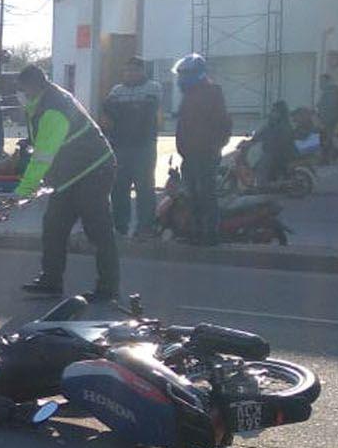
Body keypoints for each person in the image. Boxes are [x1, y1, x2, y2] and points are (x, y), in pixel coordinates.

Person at [13, 64, 120, 302]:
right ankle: (51, 281)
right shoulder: (42, 102)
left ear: (33, 86)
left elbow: (43, 154)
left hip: (92, 169)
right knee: (54, 226)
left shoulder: (52, 109)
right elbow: (42, 146)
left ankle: (108, 288)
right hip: (71, 175)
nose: (20, 94)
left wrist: (24, 189)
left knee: (98, 229)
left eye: (22, 89)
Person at [172, 53, 232, 246]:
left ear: (197, 74)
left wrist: (214, 146)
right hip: (189, 154)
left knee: (207, 194)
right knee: (192, 194)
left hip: (205, 154)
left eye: (185, 74)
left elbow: (223, 124)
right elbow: (183, 125)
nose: (181, 79)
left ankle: (210, 233)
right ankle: (195, 231)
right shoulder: (189, 96)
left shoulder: (212, 93)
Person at [100, 57, 161, 238]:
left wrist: (123, 113)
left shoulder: (153, 87)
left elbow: (148, 112)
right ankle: (120, 227)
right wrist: (131, 111)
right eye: (127, 70)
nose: (130, 74)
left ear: (142, 71)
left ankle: (145, 227)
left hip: (144, 147)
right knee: (119, 188)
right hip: (120, 147)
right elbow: (108, 109)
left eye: (134, 70)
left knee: (145, 188)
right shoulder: (117, 90)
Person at [249, 100, 297, 187]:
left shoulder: (283, 126)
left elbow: (279, 140)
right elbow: (263, 132)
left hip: (280, 153)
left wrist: (265, 142)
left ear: (281, 113)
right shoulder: (272, 124)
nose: (273, 113)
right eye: (273, 111)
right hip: (273, 151)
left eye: (275, 111)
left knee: (262, 165)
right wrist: (252, 140)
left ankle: (262, 184)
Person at [315, 74, 338, 164]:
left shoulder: (331, 92)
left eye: (322, 81)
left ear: (327, 81)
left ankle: (326, 159)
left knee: (325, 140)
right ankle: (333, 154)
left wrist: (323, 121)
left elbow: (330, 108)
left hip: (329, 121)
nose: (320, 84)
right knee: (327, 140)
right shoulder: (329, 92)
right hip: (328, 120)